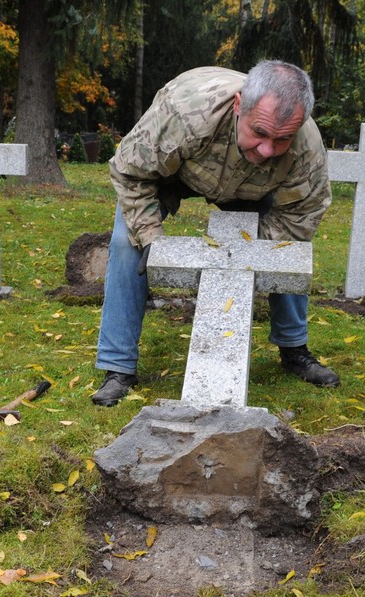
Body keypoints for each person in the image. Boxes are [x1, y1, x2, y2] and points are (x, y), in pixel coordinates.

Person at [92, 60, 340, 407]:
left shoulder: (306, 146)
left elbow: (301, 213)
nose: (268, 149)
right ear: (240, 106)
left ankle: (294, 348)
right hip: (177, 172)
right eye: (260, 132)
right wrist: (149, 236)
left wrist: (255, 255)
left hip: (256, 190)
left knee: (288, 250)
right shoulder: (183, 113)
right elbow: (130, 173)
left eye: (281, 139)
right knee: (125, 243)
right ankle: (117, 367)